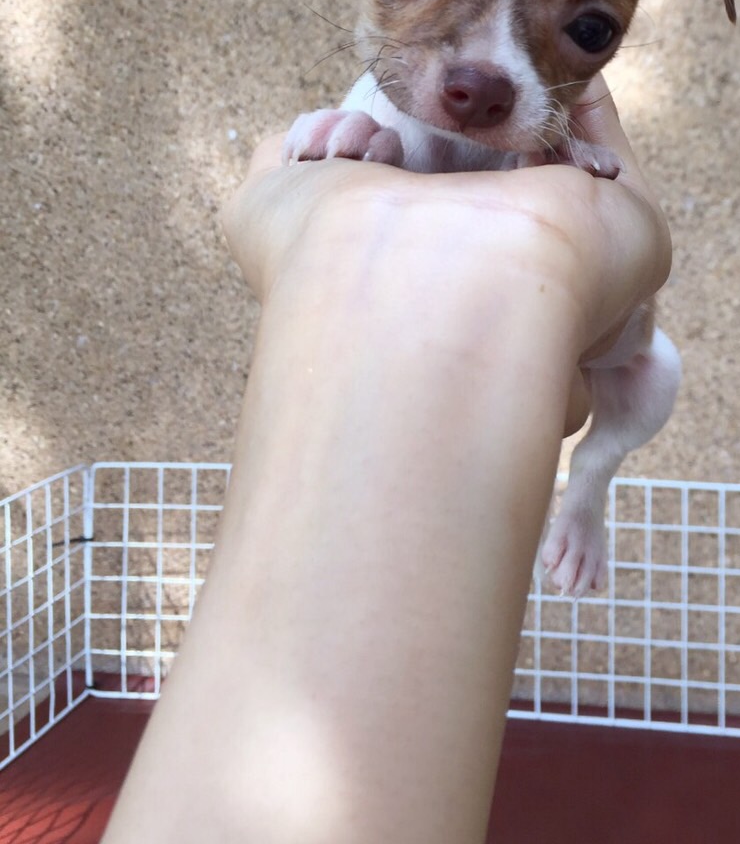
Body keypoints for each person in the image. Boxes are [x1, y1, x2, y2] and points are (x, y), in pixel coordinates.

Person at [102, 81, 671, 844]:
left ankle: (588, 489)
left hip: (611, 358)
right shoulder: (374, 110)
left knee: (657, 374)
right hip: (536, 327)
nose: (482, 74)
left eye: (588, 30)